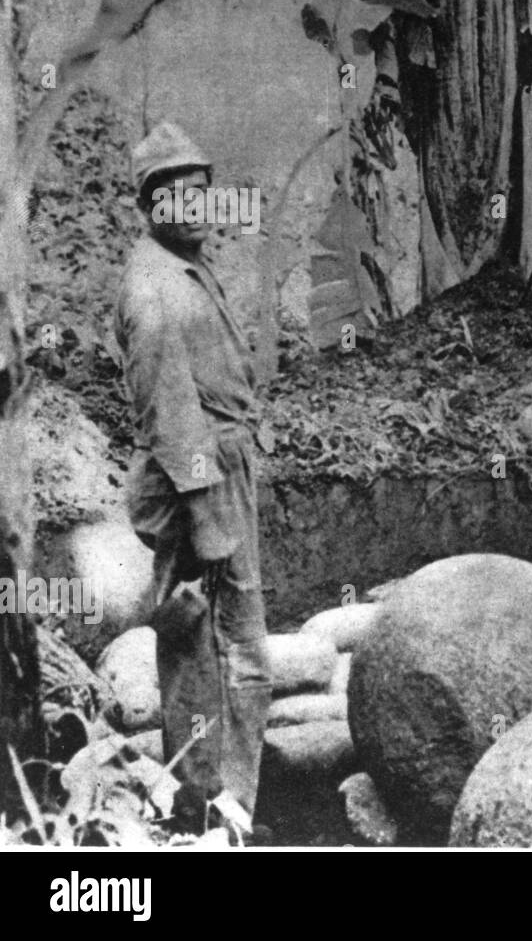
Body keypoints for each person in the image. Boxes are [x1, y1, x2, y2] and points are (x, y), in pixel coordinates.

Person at [115, 121, 271, 837]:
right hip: (196, 486)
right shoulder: (154, 288)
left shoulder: (186, 266)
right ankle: (223, 803)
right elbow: (173, 420)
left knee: (198, 643)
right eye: (177, 195)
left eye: (203, 192)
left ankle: (203, 793)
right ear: (150, 206)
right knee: (228, 645)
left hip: (217, 469)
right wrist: (211, 526)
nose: (197, 206)